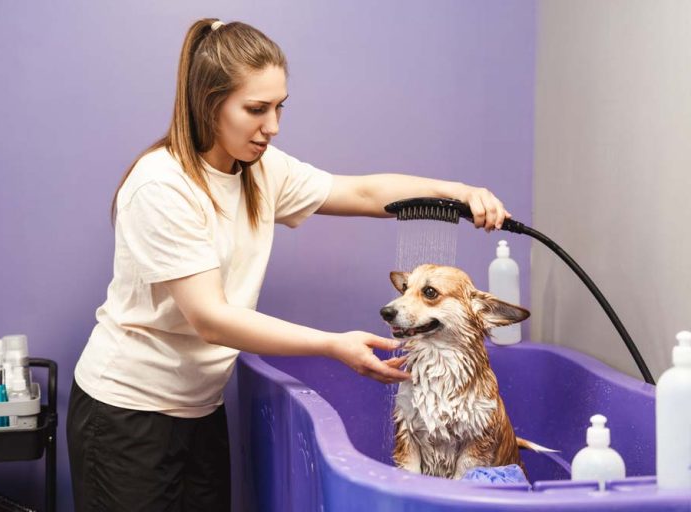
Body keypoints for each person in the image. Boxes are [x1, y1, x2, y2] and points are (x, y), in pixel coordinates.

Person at [67, 18, 511, 512]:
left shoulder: (260, 169)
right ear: (207, 102)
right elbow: (210, 318)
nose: (272, 127)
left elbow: (360, 191)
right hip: (127, 415)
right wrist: (331, 345)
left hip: (200, 409)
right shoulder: (162, 187)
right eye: (256, 109)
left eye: (279, 108)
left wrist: (457, 193)